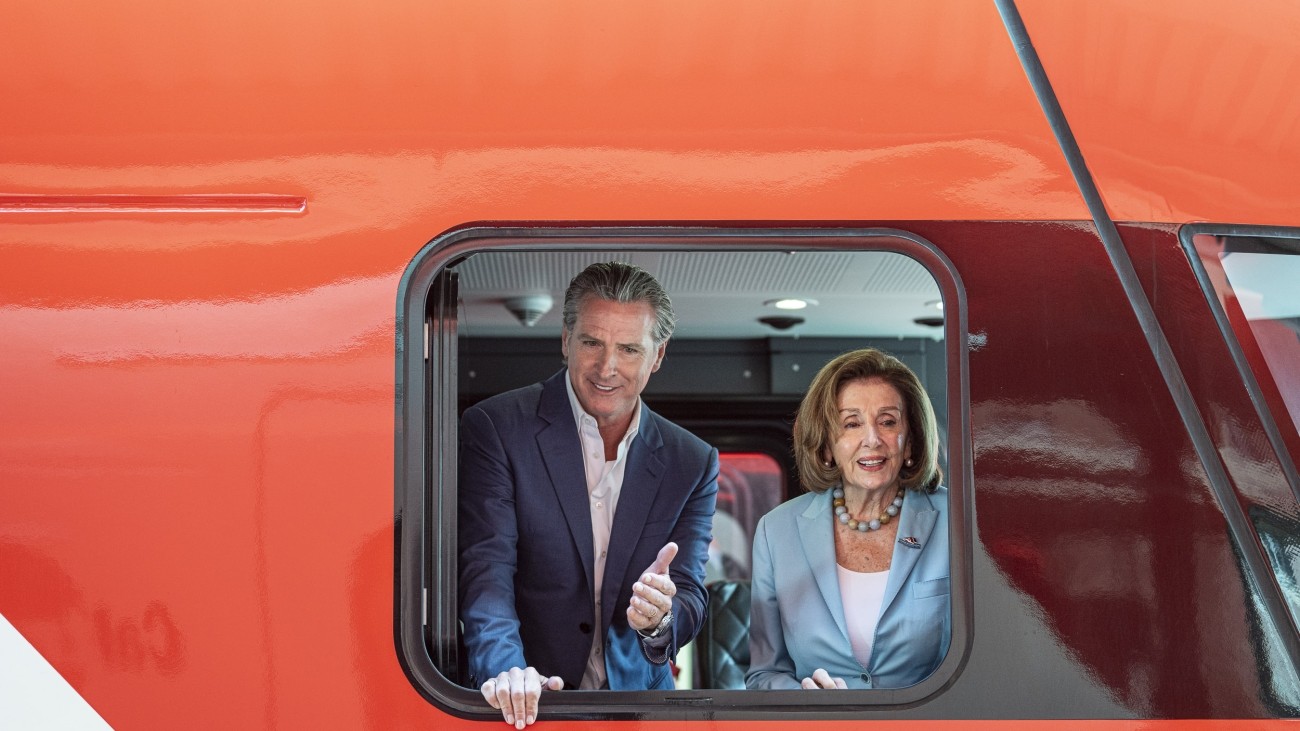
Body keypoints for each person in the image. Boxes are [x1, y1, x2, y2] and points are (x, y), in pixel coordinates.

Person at [458, 261, 719, 727]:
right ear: (565, 340)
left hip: (640, 709)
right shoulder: (496, 427)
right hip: (528, 701)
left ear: (657, 356)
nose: (607, 368)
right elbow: (487, 571)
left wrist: (659, 619)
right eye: (592, 342)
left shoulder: (692, 461)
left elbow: (690, 596)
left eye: (629, 349)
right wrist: (507, 672)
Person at [746, 348, 948, 690]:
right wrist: (805, 700)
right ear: (827, 446)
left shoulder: (955, 521)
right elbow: (764, 673)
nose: (872, 439)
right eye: (851, 423)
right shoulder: (776, 531)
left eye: (887, 421)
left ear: (911, 441)